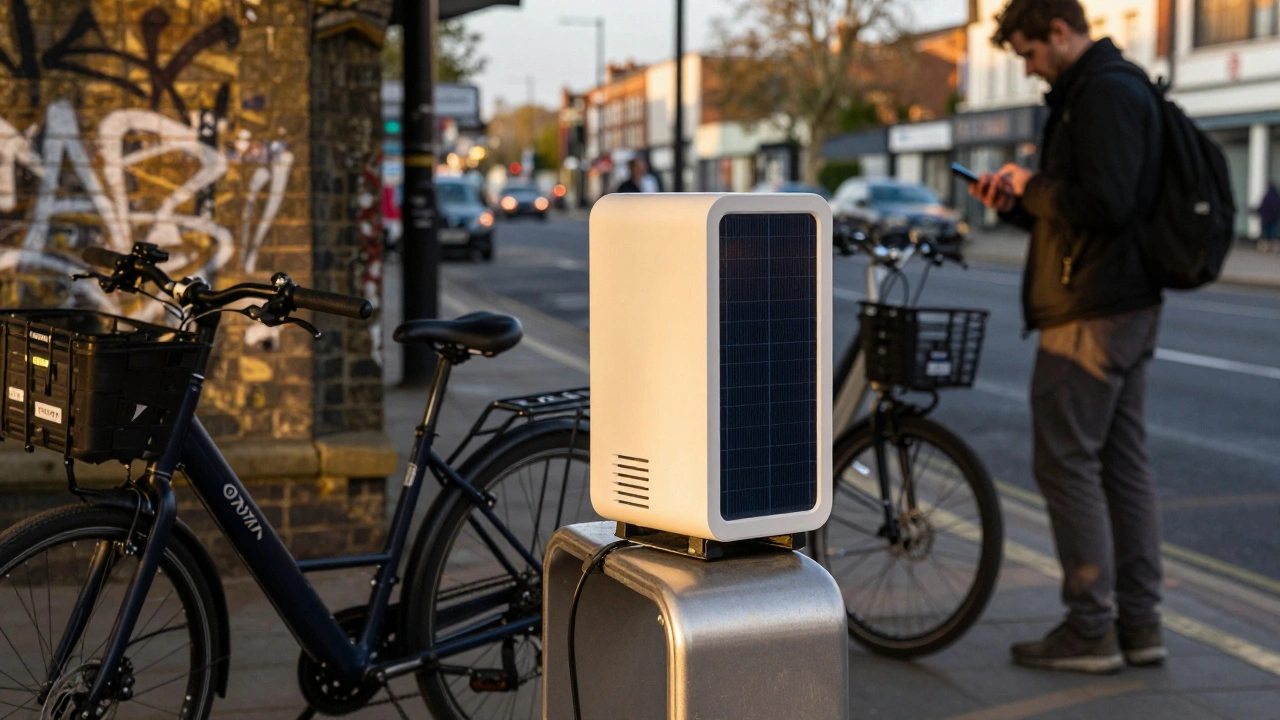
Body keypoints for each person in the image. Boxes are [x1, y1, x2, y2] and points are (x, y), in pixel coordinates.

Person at [970, 0, 1167, 674]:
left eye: (1029, 53)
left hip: (1092, 309)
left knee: (1066, 463)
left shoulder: (1103, 93)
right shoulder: (1104, 88)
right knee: (1119, 463)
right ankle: (1139, 625)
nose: (1027, 69)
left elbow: (1106, 204)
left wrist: (1033, 184)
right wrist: (1019, 203)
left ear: (1059, 32)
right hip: (1120, 300)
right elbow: (1084, 215)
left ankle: (1091, 629)